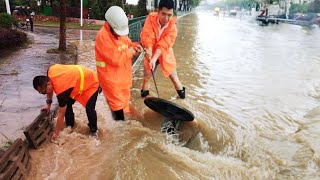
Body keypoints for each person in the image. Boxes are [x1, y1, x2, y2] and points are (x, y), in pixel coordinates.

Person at [95, 6, 142, 121]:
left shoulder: (119, 32)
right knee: (117, 110)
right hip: (111, 82)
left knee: (125, 105)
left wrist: (134, 47)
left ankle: (125, 125)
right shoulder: (103, 37)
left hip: (123, 79)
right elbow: (116, 59)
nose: (120, 34)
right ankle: (120, 131)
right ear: (110, 25)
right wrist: (130, 52)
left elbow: (128, 43)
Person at [33, 64, 100, 140]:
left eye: (43, 92)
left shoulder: (62, 91)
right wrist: (48, 105)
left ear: (48, 84)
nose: (44, 94)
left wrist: (56, 132)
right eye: (41, 93)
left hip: (91, 82)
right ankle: (70, 125)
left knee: (89, 109)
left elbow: (61, 113)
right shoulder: (50, 71)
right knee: (67, 104)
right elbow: (49, 91)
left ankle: (94, 132)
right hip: (77, 81)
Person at [140, 0, 186, 99]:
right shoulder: (150, 19)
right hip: (151, 50)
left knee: (174, 77)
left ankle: (182, 99)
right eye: (163, 14)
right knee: (147, 77)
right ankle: (144, 100)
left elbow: (164, 44)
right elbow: (147, 35)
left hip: (165, 52)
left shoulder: (173, 27)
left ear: (172, 13)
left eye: (169, 15)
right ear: (158, 11)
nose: (166, 18)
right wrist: (148, 49)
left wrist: (155, 58)